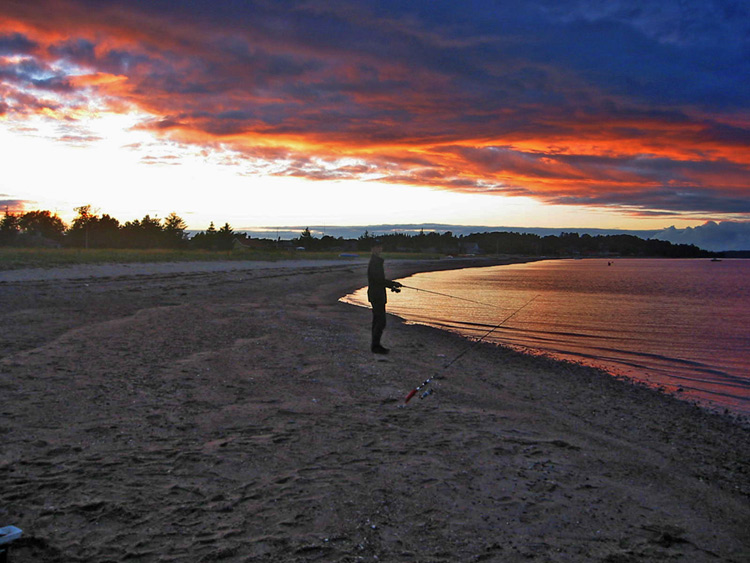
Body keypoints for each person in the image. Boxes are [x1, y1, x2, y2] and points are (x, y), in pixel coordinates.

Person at [367, 239, 402, 354]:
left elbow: (378, 281)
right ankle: (376, 346)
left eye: (380, 246)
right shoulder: (375, 262)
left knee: (377, 320)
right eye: (377, 247)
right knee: (380, 321)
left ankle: (375, 345)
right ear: (372, 249)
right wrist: (392, 284)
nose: (379, 248)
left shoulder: (376, 261)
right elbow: (378, 280)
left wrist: (392, 287)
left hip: (376, 293)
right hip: (376, 295)